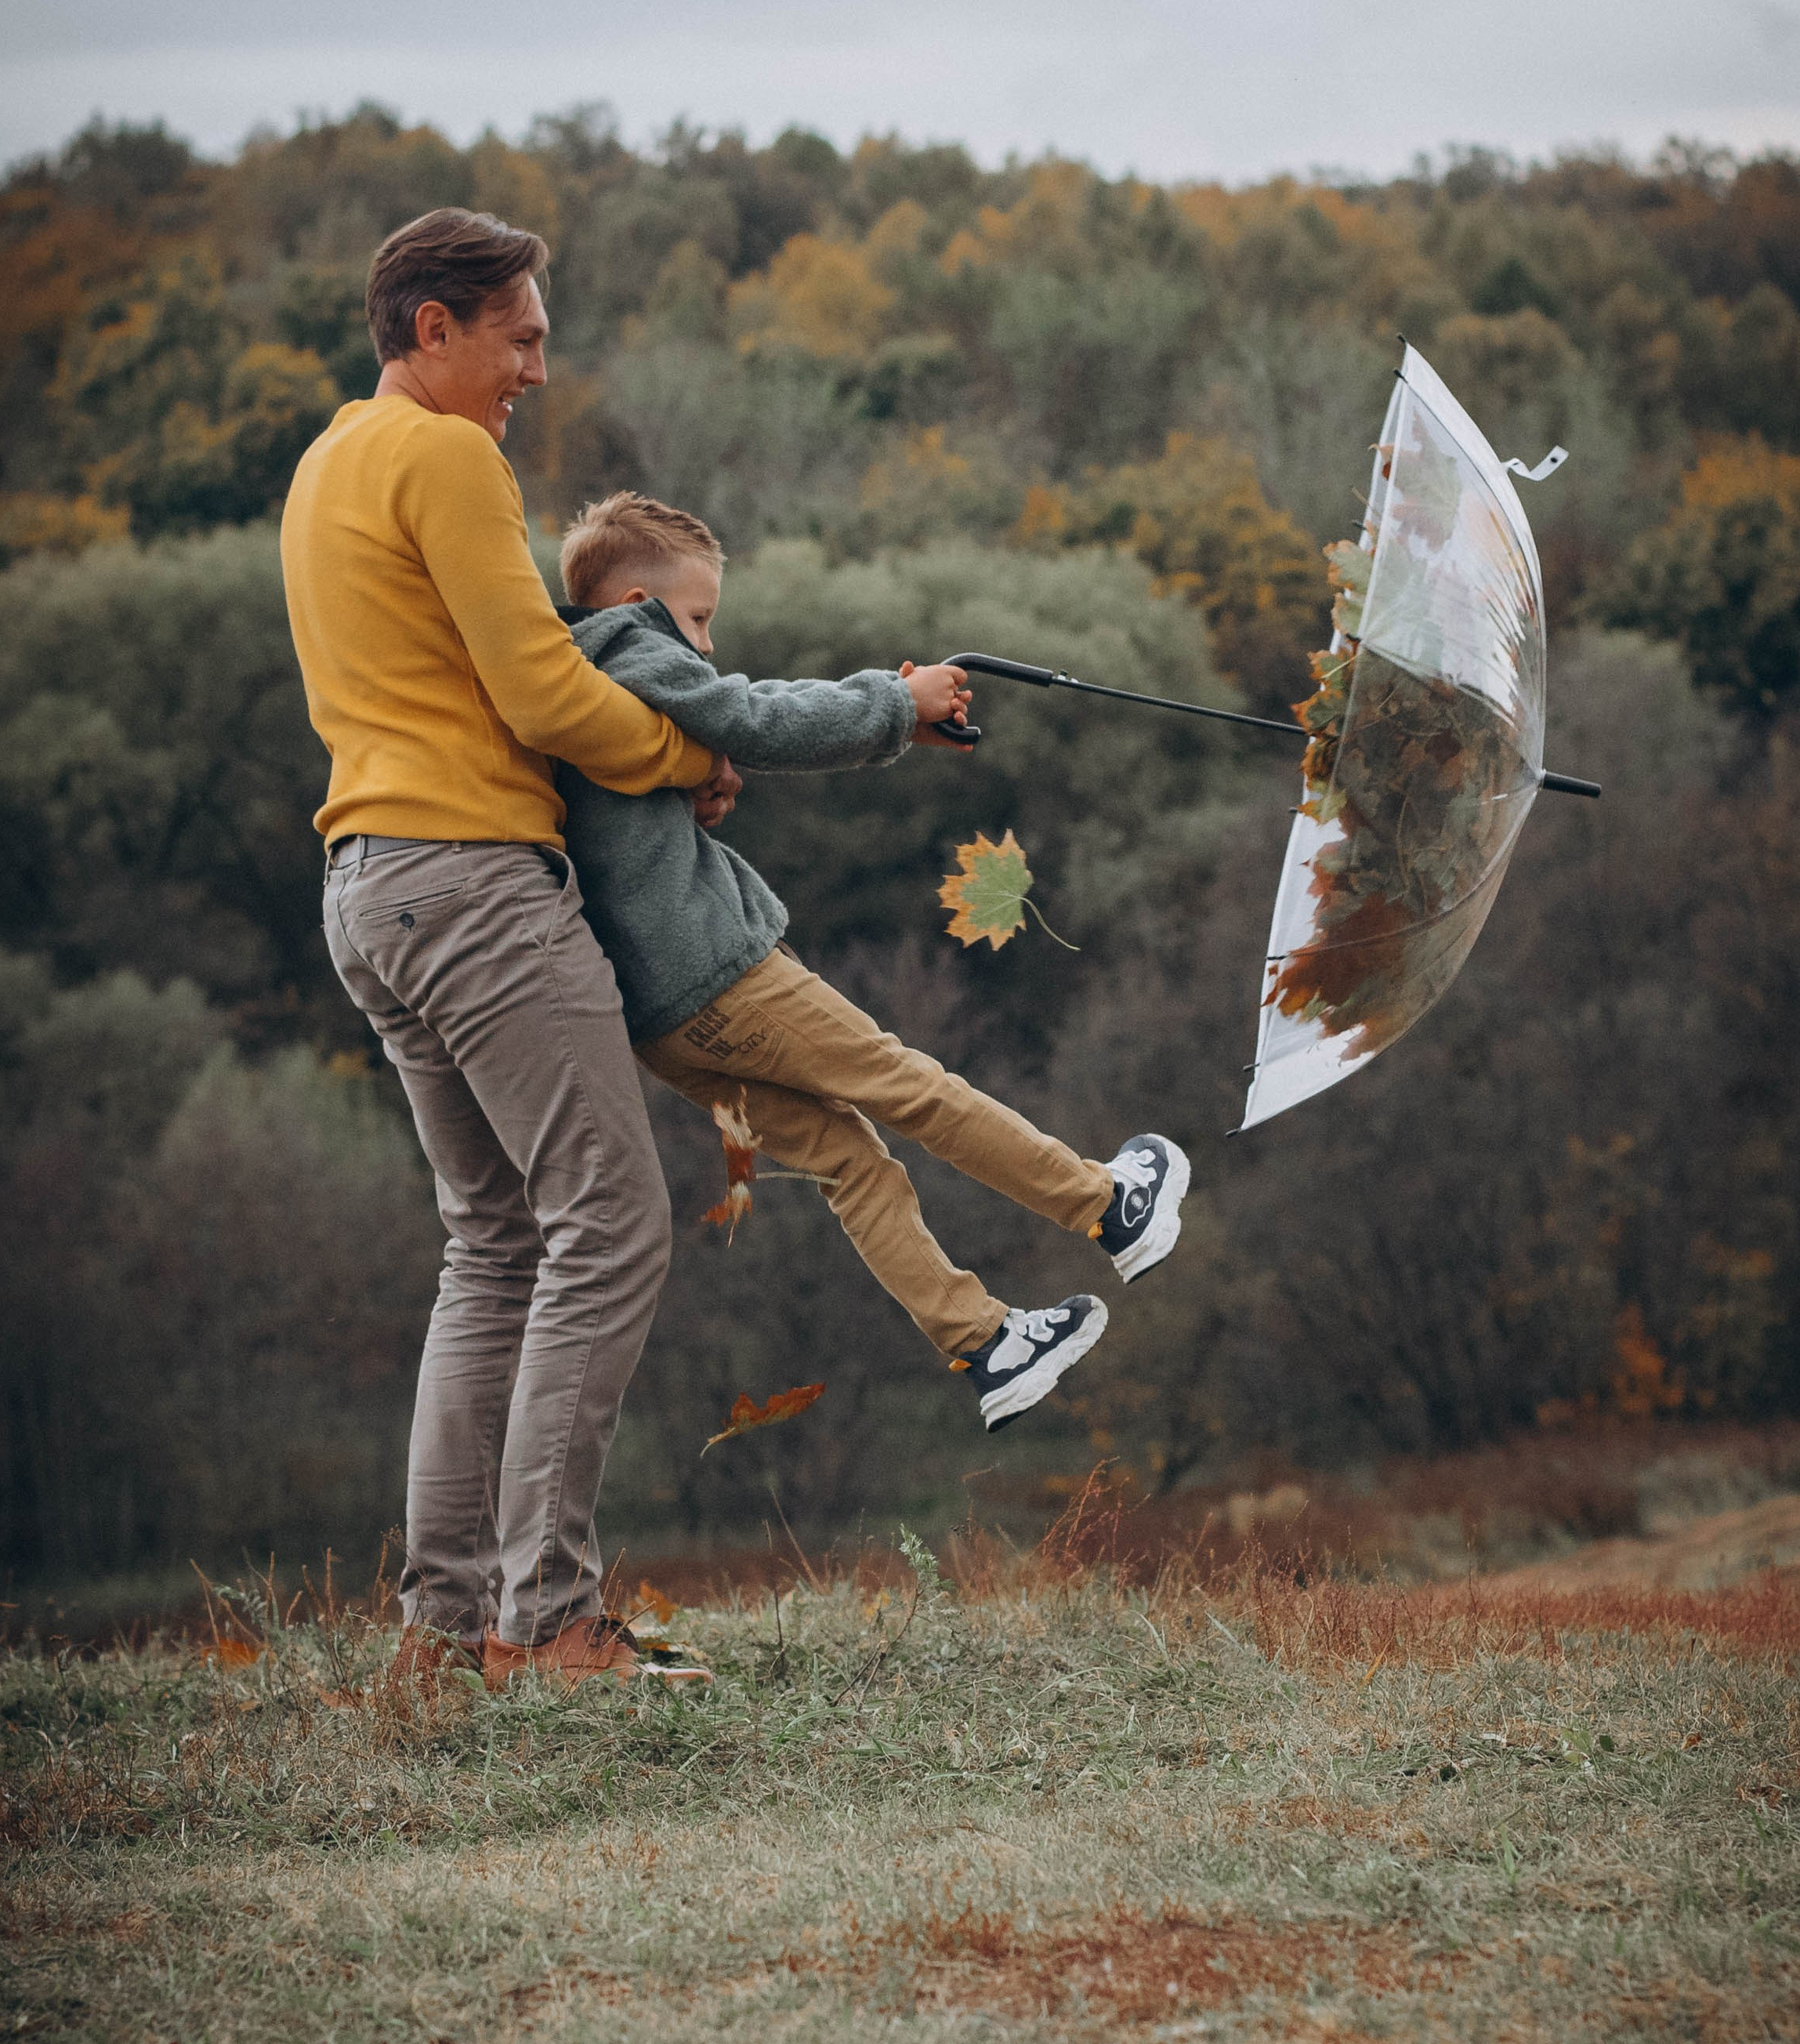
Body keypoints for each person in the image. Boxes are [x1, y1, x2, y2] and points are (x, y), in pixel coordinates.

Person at [280, 209, 725, 1693]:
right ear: (435, 330)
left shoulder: (324, 465)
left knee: (496, 1244)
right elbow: (538, 687)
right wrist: (680, 754)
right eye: (519, 335)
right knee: (613, 1221)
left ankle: (446, 1633)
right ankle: (550, 1625)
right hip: (472, 883)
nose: (537, 365)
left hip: (369, 890)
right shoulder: (446, 456)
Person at [555, 490, 1192, 1430]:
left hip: (661, 1022)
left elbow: (679, 769)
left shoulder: (571, 677)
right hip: (718, 972)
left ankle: (986, 1345)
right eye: (698, 619)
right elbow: (753, 716)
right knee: (909, 1086)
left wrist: (708, 786)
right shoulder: (627, 646)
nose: (706, 643)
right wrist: (897, 699)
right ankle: (1107, 1207)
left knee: (851, 1164)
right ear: (635, 603)